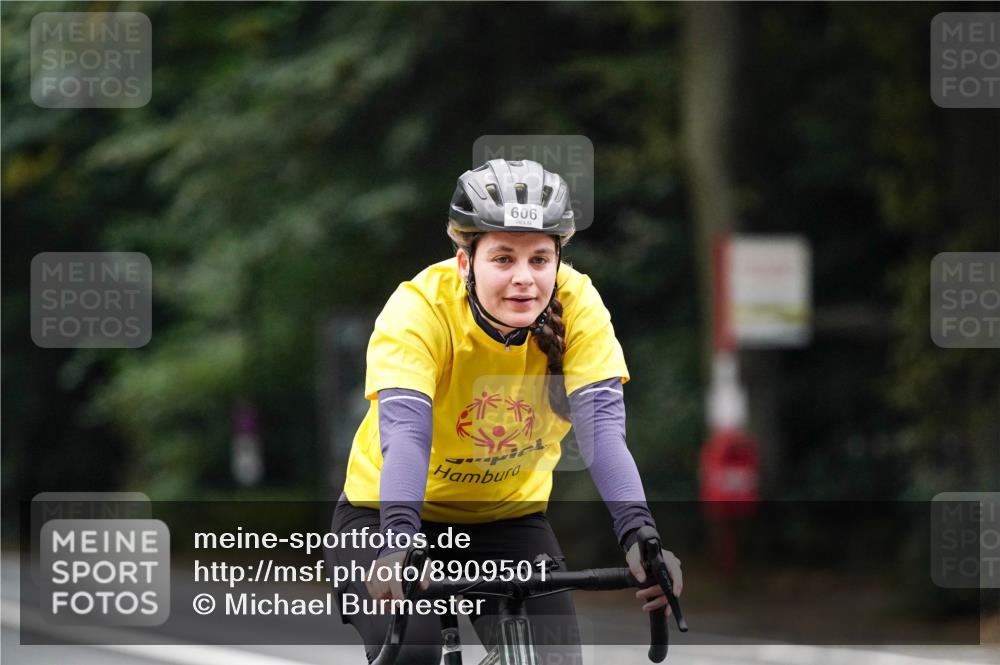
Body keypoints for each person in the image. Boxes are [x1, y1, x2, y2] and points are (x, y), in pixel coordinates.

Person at [327, 158, 683, 664]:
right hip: (386, 516)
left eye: (540, 259)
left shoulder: (579, 306)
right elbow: (407, 436)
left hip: (505, 519)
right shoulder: (418, 310)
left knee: (554, 660)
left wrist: (639, 535)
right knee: (415, 651)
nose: (524, 279)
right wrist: (399, 540)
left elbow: (602, 433)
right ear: (465, 262)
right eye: (502, 258)